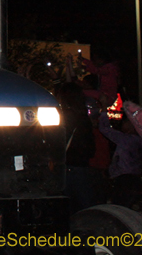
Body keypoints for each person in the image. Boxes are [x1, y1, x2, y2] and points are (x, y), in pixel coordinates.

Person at [96, 95, 142, 208]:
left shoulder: (124, 139)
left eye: (126, 121)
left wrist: (104, 107)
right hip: (136, 178)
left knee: (120, 207)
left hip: (123, 179)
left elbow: (104, 128)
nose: (123, 123)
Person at [55, 81, 96, 213]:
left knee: (65, 208)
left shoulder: (64, 118)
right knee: (85, 207)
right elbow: (90, 148)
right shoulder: (84, 118)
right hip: (82, 166)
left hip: (68, 167)